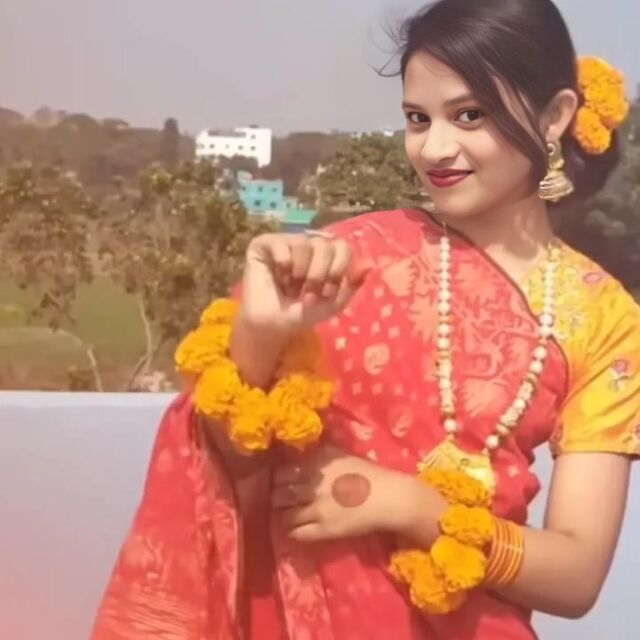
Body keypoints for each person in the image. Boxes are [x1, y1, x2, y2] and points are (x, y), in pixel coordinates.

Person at [91, 0, 639, 638]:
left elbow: (576, 576)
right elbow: (221, 476)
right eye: (417, 118)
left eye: (469, 115)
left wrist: (411, 508)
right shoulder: (346, 261)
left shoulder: (603, 320)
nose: (434, 148)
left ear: (555, 115)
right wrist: (261, 335)